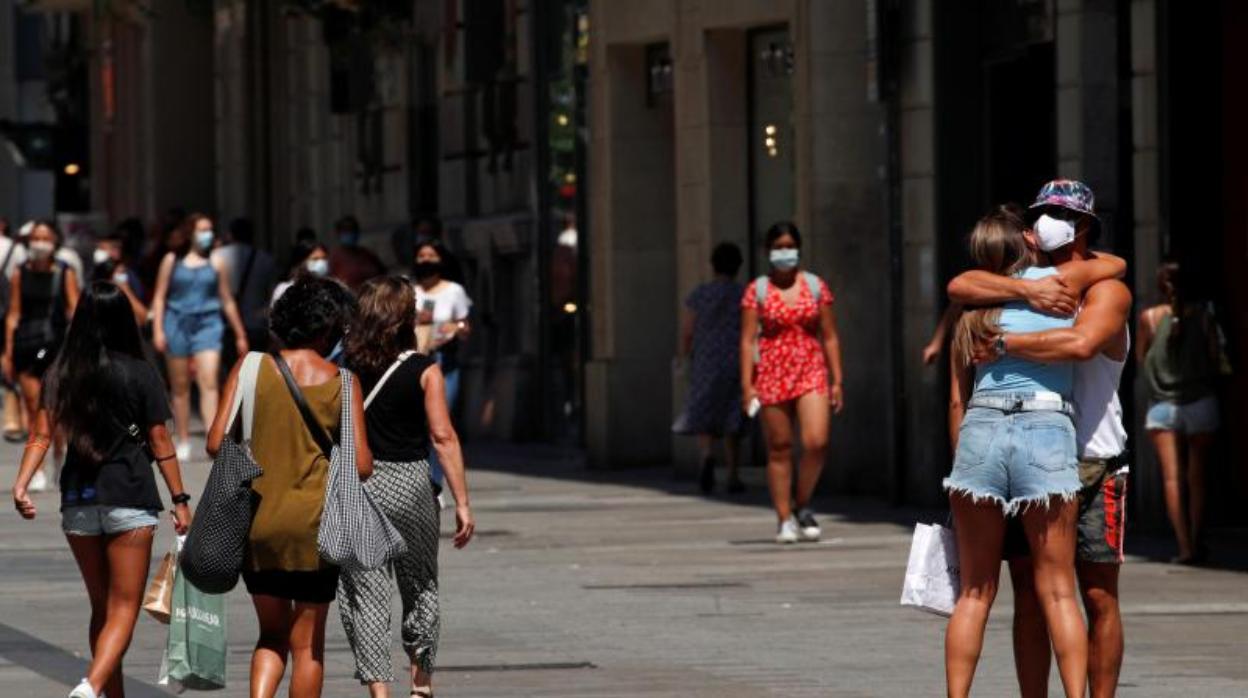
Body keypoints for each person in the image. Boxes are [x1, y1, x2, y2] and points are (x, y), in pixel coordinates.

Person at [948, 181, 1131, 698]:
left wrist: (1002, 342)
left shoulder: (1104, 286)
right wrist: (1026, 290)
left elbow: (1081, 342)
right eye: (1042, 212)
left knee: (1096, 595)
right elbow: (960, 285)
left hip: (1093, 455)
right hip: (1040, 447)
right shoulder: (1012, 284)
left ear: (1084, 225)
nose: (1047, 220)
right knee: (1033, 592)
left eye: (1059, 214)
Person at [11, 281, 191, 698]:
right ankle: (91, 686)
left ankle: (110, 695)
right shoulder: (141, 372)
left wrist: (22, 485)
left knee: (101, 606)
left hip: (78, 499)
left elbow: (40, 435)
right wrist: (181, 499)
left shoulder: (61, 371)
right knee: (124, 606)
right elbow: (161, 442)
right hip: (129, 494)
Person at [207, 276, 371, 698]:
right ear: (328, 327)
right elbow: (362, 465)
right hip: (316, 528)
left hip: (258, 524)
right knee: (307, 645)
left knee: (270, 636)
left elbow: (214, 442)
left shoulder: (250, 367)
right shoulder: (344, 382)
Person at [339, 276, 475, 698]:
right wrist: (462, 502)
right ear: (405, 317)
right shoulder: (424, 370)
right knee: (420, 584)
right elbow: (443, 437)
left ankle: (380, 691)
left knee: (365, 590)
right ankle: (421, 683)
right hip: (412, 482)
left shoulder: (345, 367)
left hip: (359, 485)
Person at [739, 222, 844, 544]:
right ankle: (784, 517)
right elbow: (746, 341)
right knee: (780, 447)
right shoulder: (757, 291)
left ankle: (802, 502)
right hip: (772, 370)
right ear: (768, 251)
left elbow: (829, 335)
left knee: (816, 442)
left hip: (810, 368)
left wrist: (837, 379)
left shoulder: (815, 286)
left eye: (789, 246)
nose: (784, 252)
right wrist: (747, 385)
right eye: (778, 247)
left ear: (798, 247)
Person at [1138, 259, 1224, 564]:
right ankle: (1198, 539)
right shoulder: (1203, 317)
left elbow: (1140, 360)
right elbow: (1216, 359)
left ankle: (1184, 545)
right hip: (1200, 401)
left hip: (1162, 405)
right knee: (1197, 477)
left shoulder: (1148, 318)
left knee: (1172, 479)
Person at [150, 213, 249, 462]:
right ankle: (182, 438)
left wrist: (239, 333)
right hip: (177, 322)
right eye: (203, 229)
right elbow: (160, 296)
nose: (208, 234)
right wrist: (158, 330)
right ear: (189, 232)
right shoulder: (172, 260)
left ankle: (211, 436)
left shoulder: (216, 262)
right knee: (180, 387)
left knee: (209, 382)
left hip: (208, 323)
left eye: (210, 229)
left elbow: (227, 299)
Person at [4, 220, 81, 492]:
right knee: (33, 407)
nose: (39, 242)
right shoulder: (19, 273)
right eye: (35, 237)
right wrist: (8, 351)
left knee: (57, 410)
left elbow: (74, 310)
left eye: (45, 237)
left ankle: (59, 459)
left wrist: (79, 345)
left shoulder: (64, 272)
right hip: (27, 343)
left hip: (57, 345)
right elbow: (14, 313)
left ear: (54, 242)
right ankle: (35, 469)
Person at [678, 242, 746, 494]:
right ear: (738, 266)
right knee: (733, 416)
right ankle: (733, 474)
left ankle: (706, 455)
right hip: (735, 359)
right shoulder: (743, 294)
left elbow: (688, 330)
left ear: (713, 265)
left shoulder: (700, 294)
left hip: (705, 360)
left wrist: (684, 356)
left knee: (705, 411)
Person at [413, 240, 472, 494]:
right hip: (415, 361)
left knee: (440, 424)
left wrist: (455, 328)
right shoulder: (409, 290)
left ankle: (435, 481)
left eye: (431, 255)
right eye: (421, 255)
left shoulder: (454, 291)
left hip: (444, 362)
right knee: (418, 423)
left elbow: (465, 326)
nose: (426, 260)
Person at [214, 217, 276, 356]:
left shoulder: (217, 256)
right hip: (255, 325)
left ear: (231, 234)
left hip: (225, 325)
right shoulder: (265, 259)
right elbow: (271, 295)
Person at [92, 230, 148, 325]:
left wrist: (123, 287)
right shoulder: (94, 277)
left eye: (104, 248)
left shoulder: (128, 277)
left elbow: (143, 317)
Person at [328, 215, 386, 290]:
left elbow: (382, 273)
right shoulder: (334, 257)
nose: (350, 233)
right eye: (346, 231)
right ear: (339, 234)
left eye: (352, 230)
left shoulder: (367, 254)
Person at [273, 239, 330, 306]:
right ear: (301, 262)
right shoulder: (284, 290)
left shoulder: (330, 290)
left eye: (324, 258)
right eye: (315, 259)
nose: (321, 263)